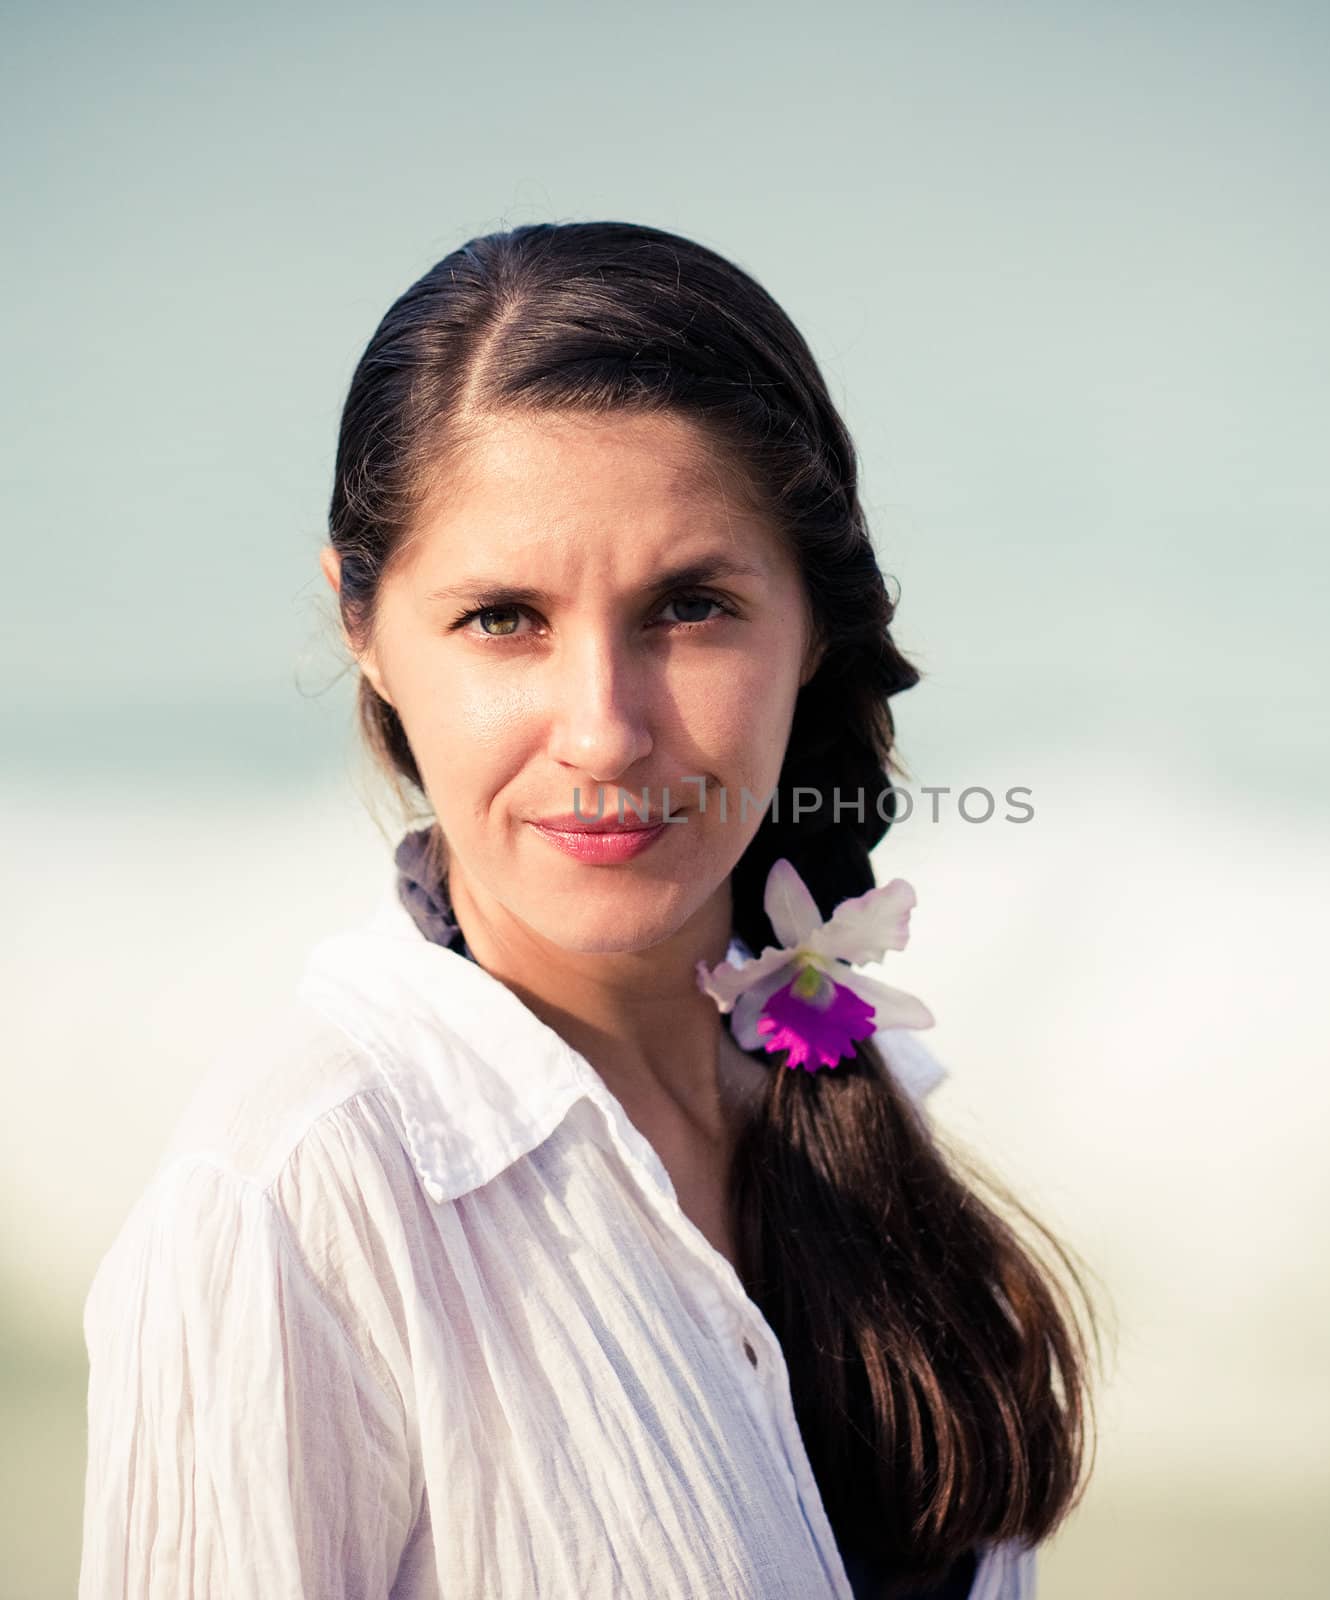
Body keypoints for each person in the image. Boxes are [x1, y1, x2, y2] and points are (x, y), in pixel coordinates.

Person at [77, 221, 1103, 1599]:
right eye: (503, 618)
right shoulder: (294, 1200)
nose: (605, 733)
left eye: (690, 606)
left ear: (815, 625)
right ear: (363, 627)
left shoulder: (868, 1093)